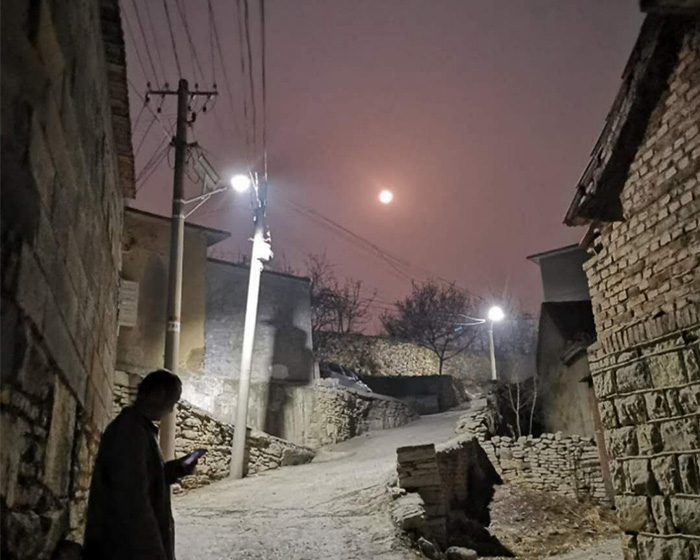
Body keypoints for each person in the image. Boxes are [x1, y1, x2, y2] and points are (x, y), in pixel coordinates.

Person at [83, 369, 198, 560]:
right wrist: (155, 553)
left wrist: (172, 470)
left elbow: (141, 478)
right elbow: (133, 502)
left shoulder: (138, 429)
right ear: (158, 394)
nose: (171, 410)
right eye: (172, 401)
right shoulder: (130, 432)